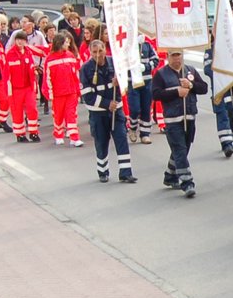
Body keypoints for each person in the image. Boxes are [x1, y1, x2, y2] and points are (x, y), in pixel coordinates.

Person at [151, 48, 209, 197]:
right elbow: (156, 94)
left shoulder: (190, 70)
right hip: (172, 119)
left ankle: (170, 176)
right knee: (180, 150)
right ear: (168, 57)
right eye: (173, 56)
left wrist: (191, 85)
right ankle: (187, 182)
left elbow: (204, 88)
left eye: (179, 55)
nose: (177, 59)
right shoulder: (161, 74)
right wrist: (176, 92)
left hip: (189, 117)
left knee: (183, 149)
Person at [80, 39, 137, 183]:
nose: (98, 55)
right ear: (90, 52)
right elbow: (87, 96)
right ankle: (103, 171)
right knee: (101, 142)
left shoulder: (115, 63)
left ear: (105, 50)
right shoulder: (85, 69)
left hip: (116, 111)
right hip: (98, 113)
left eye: (100, 51)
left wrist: (120, 82)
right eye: (94, 52)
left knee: (121, 139)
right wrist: (106, 104)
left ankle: (125, 172)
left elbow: (127, 84)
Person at [44, 31, 83, 144]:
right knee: (58, 115)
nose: (68, 45)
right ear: (60, 44)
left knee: (71, 115)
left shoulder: (70, 56)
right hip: (58, 93)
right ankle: (58, 135)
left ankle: (74, 138)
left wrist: (77, 90)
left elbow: (75, 75)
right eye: (66, 42)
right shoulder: (50, 59)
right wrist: (50, 93)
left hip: (71, 91)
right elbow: (47, 78)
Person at [4, 30, 42, 142]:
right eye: (18, 39)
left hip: (28, 87)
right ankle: (20, 134)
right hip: (15, 89)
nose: (20, 42)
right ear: (15, 41)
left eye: (23, 40)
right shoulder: (10, 54)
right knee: (17, 112)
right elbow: (6, 73)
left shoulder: (28, 52)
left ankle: (33, 132)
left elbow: (32, 66)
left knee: (32, 109)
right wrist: (8, 90)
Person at [128, 35, 159, 145]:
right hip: (132, 83)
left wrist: (145, 67)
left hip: (147, 82)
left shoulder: (147, 46)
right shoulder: (127, 47)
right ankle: (132, 127)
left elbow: (156, 59)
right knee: (135, 109)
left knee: (146, 108)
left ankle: (145, 134)